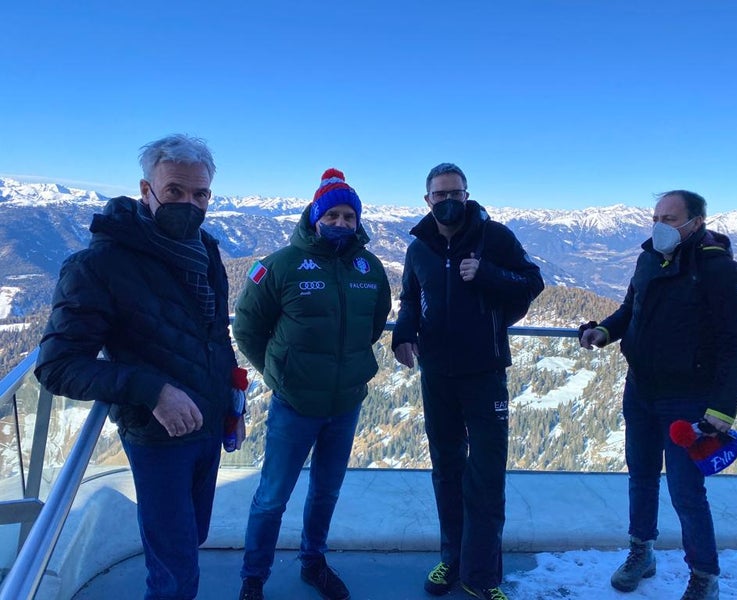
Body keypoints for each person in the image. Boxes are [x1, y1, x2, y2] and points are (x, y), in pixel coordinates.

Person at [35, 134, 241, 600]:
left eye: (200, 194)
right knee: (174, 571)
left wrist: (234, 401)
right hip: (157, 436)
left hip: (208, 423)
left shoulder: (205, 249)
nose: (189, 204)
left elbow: (216, 335)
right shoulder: (99, 265)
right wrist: (152, 390)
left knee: (192, 537)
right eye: (174, 191)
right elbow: (57, 367)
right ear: (146, 191)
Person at [578, 190, 737, 600]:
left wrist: (722, 409)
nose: (660, 226)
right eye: (656, 218)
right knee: (640, 477)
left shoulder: (719, 270)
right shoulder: (648, 260)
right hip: (640, 389)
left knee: (686, 491)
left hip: (687, 399)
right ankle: (642, 552)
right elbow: (630, 310)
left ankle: (704, 576)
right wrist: (603, 331)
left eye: (670, 219)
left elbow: (736, 343)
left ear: (696, 222)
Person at [233, 168, 391, 600]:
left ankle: (313, 562)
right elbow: (247, 328)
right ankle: (253, 578)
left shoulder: (370, 268)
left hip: (346, 403)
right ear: (314, 216)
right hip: (295, 405)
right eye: (332, 215)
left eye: (349, 217)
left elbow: (374, 324)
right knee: (272, 496)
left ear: (358, 221)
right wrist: (278, 372)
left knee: (326, 492)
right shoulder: (280, 265)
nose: (341, 223)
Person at [392, 163, 544, 600]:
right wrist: (403, 333)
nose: (448, 201)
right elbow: (410, 297)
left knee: (487, 475)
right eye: (440, 195)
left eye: (455, 193)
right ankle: (452, 560)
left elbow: (533, 281)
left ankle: (482, 576)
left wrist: (487, 273)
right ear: (427, 200)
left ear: (467, 194)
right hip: (437, 374)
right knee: (446, 469)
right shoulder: (418, 248)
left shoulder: (494, 237)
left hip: (485, 374)